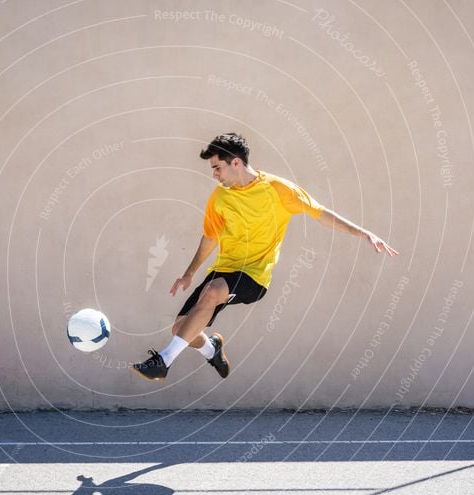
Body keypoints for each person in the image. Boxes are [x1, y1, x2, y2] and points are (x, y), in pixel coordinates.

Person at [133, 132, 398, 381]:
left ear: (235, 162)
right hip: (224, 271)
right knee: (181, 329)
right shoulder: (219, 198)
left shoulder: (279, 190)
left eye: (217, 167)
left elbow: (321, 214)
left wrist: (364, 233)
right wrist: (189, 273)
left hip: (255, 277)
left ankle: (163, 362)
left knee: (213, 292)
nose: (214, 175)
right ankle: (211, 349)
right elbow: (210, 238)